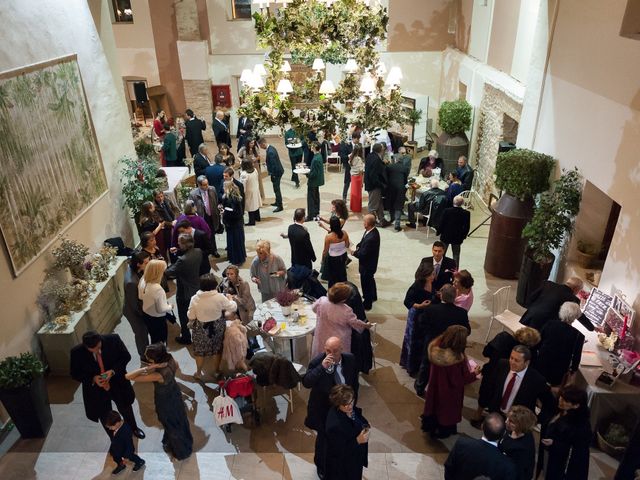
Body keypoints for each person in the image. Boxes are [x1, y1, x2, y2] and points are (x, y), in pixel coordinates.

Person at [70, 331, 145, 439]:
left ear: (100, 340)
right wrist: (93, 378)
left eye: (98, 347)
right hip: (96, 388)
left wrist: (113, 371)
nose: (97, 351)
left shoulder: (113, 340)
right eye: (93, 350)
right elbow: (75, 374)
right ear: (85, 346)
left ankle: (133, 428)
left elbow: (125, 357)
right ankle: (113, 437)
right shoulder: (76, 352)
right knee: (104, 413)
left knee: (125, 407)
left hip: (117, 382)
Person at [302, 336, 359, 479]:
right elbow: (307, 382)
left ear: (341, 349)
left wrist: (352, 404)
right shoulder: (318, 361)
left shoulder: (350, 359)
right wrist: (322, 367)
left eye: (335, 351)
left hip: (344, 408)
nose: (331, 354)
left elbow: (354, 383)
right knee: (324, 441)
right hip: (324, 410)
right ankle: (321, 466)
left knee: (342, 438)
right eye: (328, 350)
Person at [126, 343, 193, 460]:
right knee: (179, 419)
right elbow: (176, 366)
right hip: (174, 392)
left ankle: (181, 451)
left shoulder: (159, 375)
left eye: (149, 359)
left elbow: (129, 376)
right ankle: (176, 441)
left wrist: (147, 368)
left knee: (171, 424)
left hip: (165, 401)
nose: (148, 360)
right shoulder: (170, 359)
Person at [472, 327, 541, 429]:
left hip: (490, 372)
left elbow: (485, 352)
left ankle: (477, 417)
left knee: (485, 394)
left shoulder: (503, 339)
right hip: (508, 379)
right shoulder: (528, 354)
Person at [413, 284, 471, 395]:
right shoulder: (462, 313)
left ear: (441, 295)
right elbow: (467, 330)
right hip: (452, 347)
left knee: (426, 365)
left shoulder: (431, 309)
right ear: (455, 297)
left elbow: (421, 323)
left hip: (433, 344)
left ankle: (420, 387)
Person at [421, 325, 477, 438]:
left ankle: (431, 428)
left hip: (435, 387)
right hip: (449, 393)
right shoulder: (455, 360)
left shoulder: (436, 348)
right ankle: (443, 432)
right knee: (446, 414)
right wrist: (475, 374)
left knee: (434, 408)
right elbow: (458, 380)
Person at [485, 345, 555, 426]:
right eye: (511, 358)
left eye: (517, 360)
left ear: (527, 362)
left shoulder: (537, 380)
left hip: (517, 423)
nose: (512, 362)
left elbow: (549, 403)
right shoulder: (502, 364)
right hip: (496, 413)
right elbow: (491, 385)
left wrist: (537, 420)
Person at [187, 273, 237, 379]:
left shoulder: (195, 298)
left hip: (200, 328)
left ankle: (198, 373)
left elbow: (191, 316)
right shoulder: (219, 297)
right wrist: (231, 299)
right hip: (217, 326)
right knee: (216, 349)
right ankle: (216, 371)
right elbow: (232, 308)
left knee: (199, 351)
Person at [539, 385, 591, 480]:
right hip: (551, 454)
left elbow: (575, 451)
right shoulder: (561, 409)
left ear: (576, 405)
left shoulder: (580, 425)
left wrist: (554, 443)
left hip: (562, 463)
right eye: (561, 397)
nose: (560, 401)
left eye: (565, 401)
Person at [444, 413, 516, 480]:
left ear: (482, 426)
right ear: (503, 434)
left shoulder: (461, 444)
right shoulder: (507, 466)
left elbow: (449, 468)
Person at [311, 283, 370, 358]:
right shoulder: (346, 310)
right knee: (337, 357)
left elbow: (313, 309)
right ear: (344, 299)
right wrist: (365, 325)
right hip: (338, 338)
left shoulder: (322, 300)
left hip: (322, 333)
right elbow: (355, 323)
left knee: (320, 355)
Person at [534, 302, 585, 387]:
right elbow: (576, 358)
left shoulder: (549, 324)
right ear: (575, 317)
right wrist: (573, 372)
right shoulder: (578, 335)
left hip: (542, 362)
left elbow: (538, 341)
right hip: (559, 369)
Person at [325, 385, 370, 480]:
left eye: (351, 402)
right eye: (346, 404)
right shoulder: (334, 425)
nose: (350, 406)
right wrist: (358, 440)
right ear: (338, 404)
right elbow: (338, 451)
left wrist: (364, 425)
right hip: (344, 467)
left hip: (355, 459)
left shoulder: (348, 410)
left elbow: (358, 419)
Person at [165, 234, 202, 345]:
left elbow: (169, 272)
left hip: (184, 290)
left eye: (179, 243)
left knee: (183, 314)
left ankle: (186, 337)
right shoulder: (198, 252)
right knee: (196, 312)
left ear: (184, 245)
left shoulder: (182, 260)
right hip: (196, 285)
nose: (178, 244)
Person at [400, 263, 437, 373]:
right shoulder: (416, 286)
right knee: (414, 341)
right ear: (426, 275)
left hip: (427, 317)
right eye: (432, 274)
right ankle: (412, 367)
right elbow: (407, 302)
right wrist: (420, 306)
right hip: (416, 317)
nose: (434, 276)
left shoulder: (432, 283)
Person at [519, 277, 594, 331]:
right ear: (576, 289)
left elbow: (531, 298)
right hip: (544, 326)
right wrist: (592, 328)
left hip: (529, 318)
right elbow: (579, 315)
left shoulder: (547, 284)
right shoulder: (573, 299)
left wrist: (533, 309)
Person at [123, 251, 151, 360]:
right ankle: (144, 356)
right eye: (146, 263)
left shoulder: (136, 270)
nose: (149, 265)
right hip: (134, 313)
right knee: (141, 334)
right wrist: (146, 315)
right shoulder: (131, 282)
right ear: (139, 264)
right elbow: (135, 305)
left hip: (138, 307)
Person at [138, 259, 172, 344]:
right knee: (160, 341)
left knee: (154, 337)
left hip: (146, 314)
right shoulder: (157, 289)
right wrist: (170, 306)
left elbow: (140, 296)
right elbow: (161, 309)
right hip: (157, 318)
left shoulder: (143, 280)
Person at [351, 214, 380, 310]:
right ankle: (373, 296)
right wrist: (359, 244)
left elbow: (362, 255)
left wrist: (353, 253)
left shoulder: (372, 238)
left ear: (368, 223)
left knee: (366, 284)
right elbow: (363, 241)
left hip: (367, 265)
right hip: (370, 264)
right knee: (370, 280)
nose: (363, 223)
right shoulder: (370, 231)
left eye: (364, 221)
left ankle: (367, 303)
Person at [500, 405, 537, 480]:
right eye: (507, 418)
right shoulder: (512, 430)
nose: (506, 421)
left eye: (511, 421)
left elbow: (519, 473)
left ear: (521, 424)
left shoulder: (522, 449)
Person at [188, 176, 221, 257]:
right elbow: (191, 207)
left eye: (207, 184)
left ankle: (214, 250)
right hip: (202, 217)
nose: (206, 186)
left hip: (211, 215)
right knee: (203, 235)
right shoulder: (193, 194)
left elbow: (216, 201)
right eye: (204, 185)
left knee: (212, 234)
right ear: (199, 185)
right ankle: (205, 252)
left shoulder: (212, 189)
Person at [105, 410, 145, 475]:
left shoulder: (126, 431)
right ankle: (121, 465)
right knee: (116, 458)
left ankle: (140, 462)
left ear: (117, 423)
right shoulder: (116, 427)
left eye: (110, 427)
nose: (110, 429)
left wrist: (126, 457)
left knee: (132, 457)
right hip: (117, 448)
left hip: (125, 450)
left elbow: (129, 445)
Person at [439, 195, 471, 266]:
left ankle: (441, 268)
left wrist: (439, 232)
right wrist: (463, 236)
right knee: (456, 255)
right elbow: (466, 227)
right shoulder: (466, 213)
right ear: (462, 203)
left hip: (445, 236)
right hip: (457, 237)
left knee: (442, 253)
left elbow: (441, 223)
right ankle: (455, 272)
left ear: (453, 202)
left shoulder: (446, 211)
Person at [221, 180, 246, 265]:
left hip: (234, 224)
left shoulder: (232, 199)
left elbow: (237, 213)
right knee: (236, 242)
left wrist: (225, 212)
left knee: (235, 242)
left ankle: (237, 259)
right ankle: (237, 257)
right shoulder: (233, 196)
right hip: (234, 224)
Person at [364, 143, 389, 226]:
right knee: (373, 206)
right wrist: (381, 184)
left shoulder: (370, 156)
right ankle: (370, 223)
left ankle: (382, 220)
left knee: (379, 203)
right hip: (374, 186)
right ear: (381, 150)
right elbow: (373, 175)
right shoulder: (376, 159)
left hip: (370, 184)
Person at [258, 136, 284, 212]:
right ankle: (277, 202)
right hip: (277, 171)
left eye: (260, 146)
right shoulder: (271, 148)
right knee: (275, 188)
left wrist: (272, 174)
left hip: (276, 173)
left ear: (263, 143)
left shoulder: (270, 152)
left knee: (277, 189)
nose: (261, 147)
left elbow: (274, 165)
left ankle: (280, 205)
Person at [322, 216, 350, 288]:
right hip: (343, 255)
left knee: (333, 275)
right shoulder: (345, 233)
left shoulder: (329, 237)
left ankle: (333, 290)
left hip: (333, 258)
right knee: (342, 271)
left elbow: (325, 251)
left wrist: (323, 260)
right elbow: (347, 245)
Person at [386, 152, 410, 231]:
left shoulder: (389, 167)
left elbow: (386, 177)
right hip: (400, 188)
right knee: (398, 206)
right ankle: (397, 224)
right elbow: (405, 180)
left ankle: (392, 218)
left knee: (391, 203)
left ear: (395, 159)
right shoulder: (405, 168)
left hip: (391, 188)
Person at [152, 190, 179, 259]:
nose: (161, 199)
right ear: (155, 197)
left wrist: (175, 219)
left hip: (174, 223)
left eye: (161, 196)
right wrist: (171, 224)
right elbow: (159, 220)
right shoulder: (154, 207)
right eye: (158, 197)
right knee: (170, 245)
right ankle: (173, 260)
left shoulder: (167, 201)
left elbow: (175, 209)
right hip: (165, 229)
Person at [306, 142, 325, 220]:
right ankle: (316, 213)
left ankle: (311, 216)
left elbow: (313, 173)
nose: (311, 147)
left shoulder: (315, 159)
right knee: (316, 198)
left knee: (311, 199)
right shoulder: (319, 156)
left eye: (312, 146)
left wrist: (306, 173)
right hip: (317, 182)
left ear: (314, 147)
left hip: (313, 182)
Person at [240, 159, 261, 225]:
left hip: (248, 192)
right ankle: (257, 217)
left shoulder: (244, 174)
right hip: (255, 189)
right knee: (255, 204)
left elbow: (243, 185)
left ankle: (252, 221)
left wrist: (242, 193)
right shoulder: (254, 170)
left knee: (250, 206)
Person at [284, 124, 303, 188]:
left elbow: (303, 140)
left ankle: (293, 177)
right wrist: (290, 146)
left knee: (298, 166)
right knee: (294, 167)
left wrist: (300, 143)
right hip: (292, 153)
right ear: (291, 124)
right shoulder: (287, 133)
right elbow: (286, 143)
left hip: (300, 152)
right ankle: (297, 182)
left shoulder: (299, 131)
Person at [349, 144, 365, 213]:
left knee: (353, 192)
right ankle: (357, 208)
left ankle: (353, 207)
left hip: (353, 176)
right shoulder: (359, 159)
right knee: (358, 193)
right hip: (358, 177)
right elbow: (361, 170)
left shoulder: (351, 157)